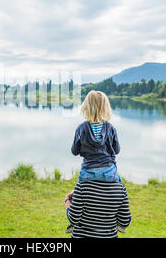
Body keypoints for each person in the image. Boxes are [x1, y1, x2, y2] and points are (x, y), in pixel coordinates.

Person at [65, 90, 123, 234]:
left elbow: (74, 151)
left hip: (87, 174)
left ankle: (72, 223)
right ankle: (119, 222)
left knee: (78, 192)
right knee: (120, 186)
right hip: (109, 173)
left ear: (86, 106)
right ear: (105, 107)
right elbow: (116, 150)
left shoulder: (81, 128)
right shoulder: (111, 128)